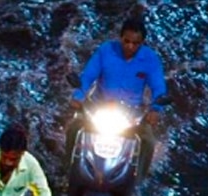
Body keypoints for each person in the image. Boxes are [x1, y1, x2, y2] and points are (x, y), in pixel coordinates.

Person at [66, 16, 167, 178]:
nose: (130, 46)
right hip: (98, 107)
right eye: (126, 41)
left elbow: (158, 87)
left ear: (142, 43)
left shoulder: (150, 59)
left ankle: (137, 181)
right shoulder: (105, 51)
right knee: (74, 129)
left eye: (135, 43)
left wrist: (156, 108)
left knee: (148, 142)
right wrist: (79, 96)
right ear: (120, 38)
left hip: (132, 113)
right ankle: (69, 172)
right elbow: (88, 76)